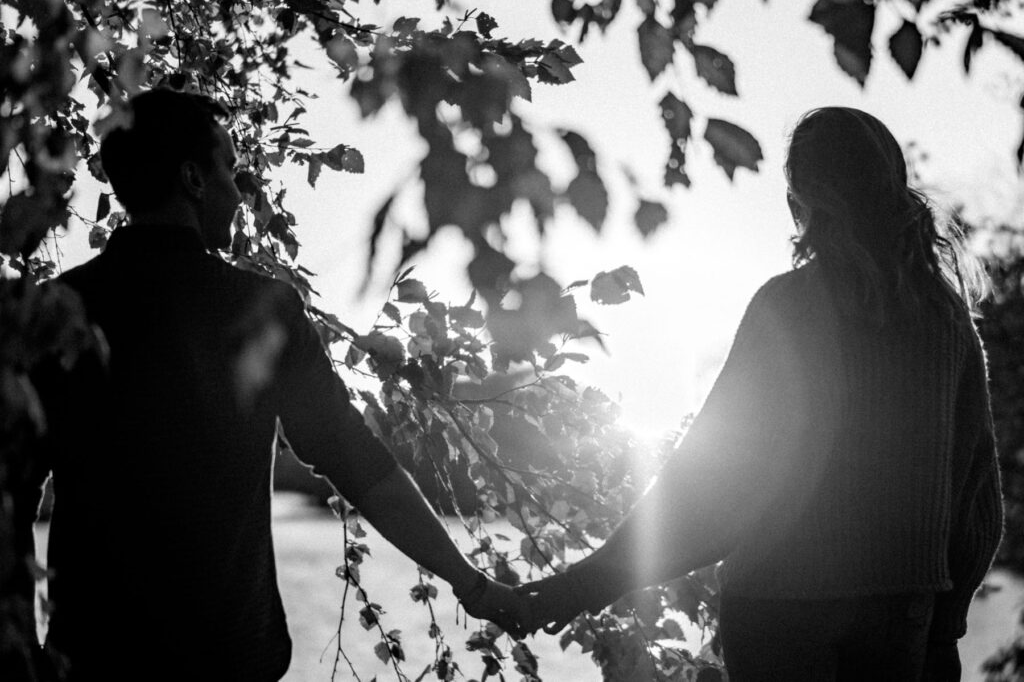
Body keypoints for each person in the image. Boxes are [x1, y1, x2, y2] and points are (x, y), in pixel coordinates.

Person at [19, 88, 526, 681]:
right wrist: (471, 585)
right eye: (228, 170)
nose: (239, 194)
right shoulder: (262, 310)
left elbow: (8, 497)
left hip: (89, 663)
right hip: (228, 663)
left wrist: (20, 652)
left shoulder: (53, 312)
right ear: (193, 179)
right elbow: (360, 463)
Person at [518, 107, 1003, 681]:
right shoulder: (945, 320)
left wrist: (583, 584)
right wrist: (943, 627)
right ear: (894, 188)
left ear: (801, 202)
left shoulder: (791, 307)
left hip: (780, 614)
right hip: (900, 617)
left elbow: (709, 489)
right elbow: (978, 502)